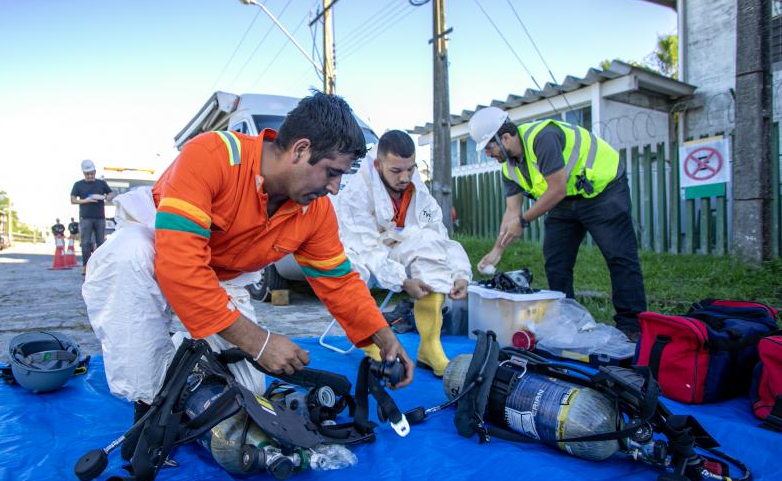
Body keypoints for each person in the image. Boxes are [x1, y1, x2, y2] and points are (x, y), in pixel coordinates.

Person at [152, 93, 415, 395]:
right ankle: (149, 394)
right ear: (300, 150)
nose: (335, 188)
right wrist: (259, 341)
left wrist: (383, 335)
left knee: (247, 394)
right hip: (155, 257)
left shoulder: (316, 210)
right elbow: (179, 266)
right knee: (127, 257)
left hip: (221, 281)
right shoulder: (211, 155)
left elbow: (339, 282)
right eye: (332, 173)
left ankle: (184, 353)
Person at [468, 107, 646, 339]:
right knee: (556, 261)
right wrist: (496, 251)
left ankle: (632, 326)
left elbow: (556, 189)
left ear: (506, 138)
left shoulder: (543, 138)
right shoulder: (509, 169)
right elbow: (512, 212)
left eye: (488, 147)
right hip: (565, 199)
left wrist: (524, 220)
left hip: (603, 190)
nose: (487, 154)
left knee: (619, 256)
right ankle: (566, 319)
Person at [334, 130, 472, 376]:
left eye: (410, 169)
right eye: (396, 171)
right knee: (352, 267)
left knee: (429, 243)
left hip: (393, 249)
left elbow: (438, 236)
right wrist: (402, 281)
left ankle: (430, 347)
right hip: (358, 249)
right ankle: (372, 343)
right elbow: (366, 248)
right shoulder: (356, 193)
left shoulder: (418, 190)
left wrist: (460, 274)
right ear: (378, 165)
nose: (405, 177)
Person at [70, 160, 115, 274]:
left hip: (100, 217)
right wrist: (86, 200)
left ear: (95, 172)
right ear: (83, 173)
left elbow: (111, 193)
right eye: (87, 174)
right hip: (86, 218)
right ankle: (86, 266)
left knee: (101, 242)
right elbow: (73, 200)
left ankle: (100, 266)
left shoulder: (101, 183)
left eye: (92, 173)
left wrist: (105, 197)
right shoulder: (78, 184)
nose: (90, 176)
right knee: (86, 243)